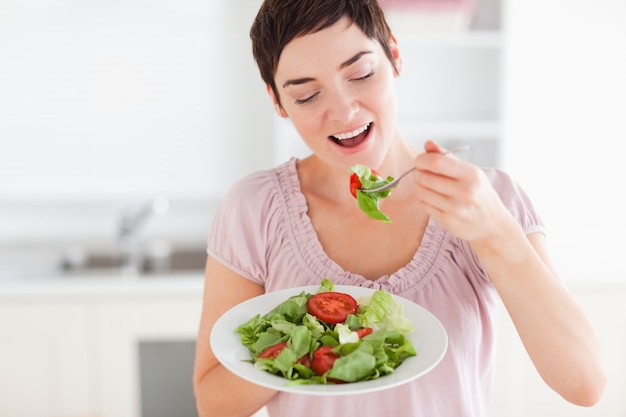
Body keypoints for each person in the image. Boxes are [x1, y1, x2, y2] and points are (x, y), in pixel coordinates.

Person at [193, 1, 607, 416]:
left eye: (361, 74)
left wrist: (496, 233)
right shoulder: (253, 209)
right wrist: (313, 342)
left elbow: (585, 383)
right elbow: (214, 404)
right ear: (278, 102)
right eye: (307, 95)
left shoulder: (487, 198)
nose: (343, 112)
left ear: (394, 54)